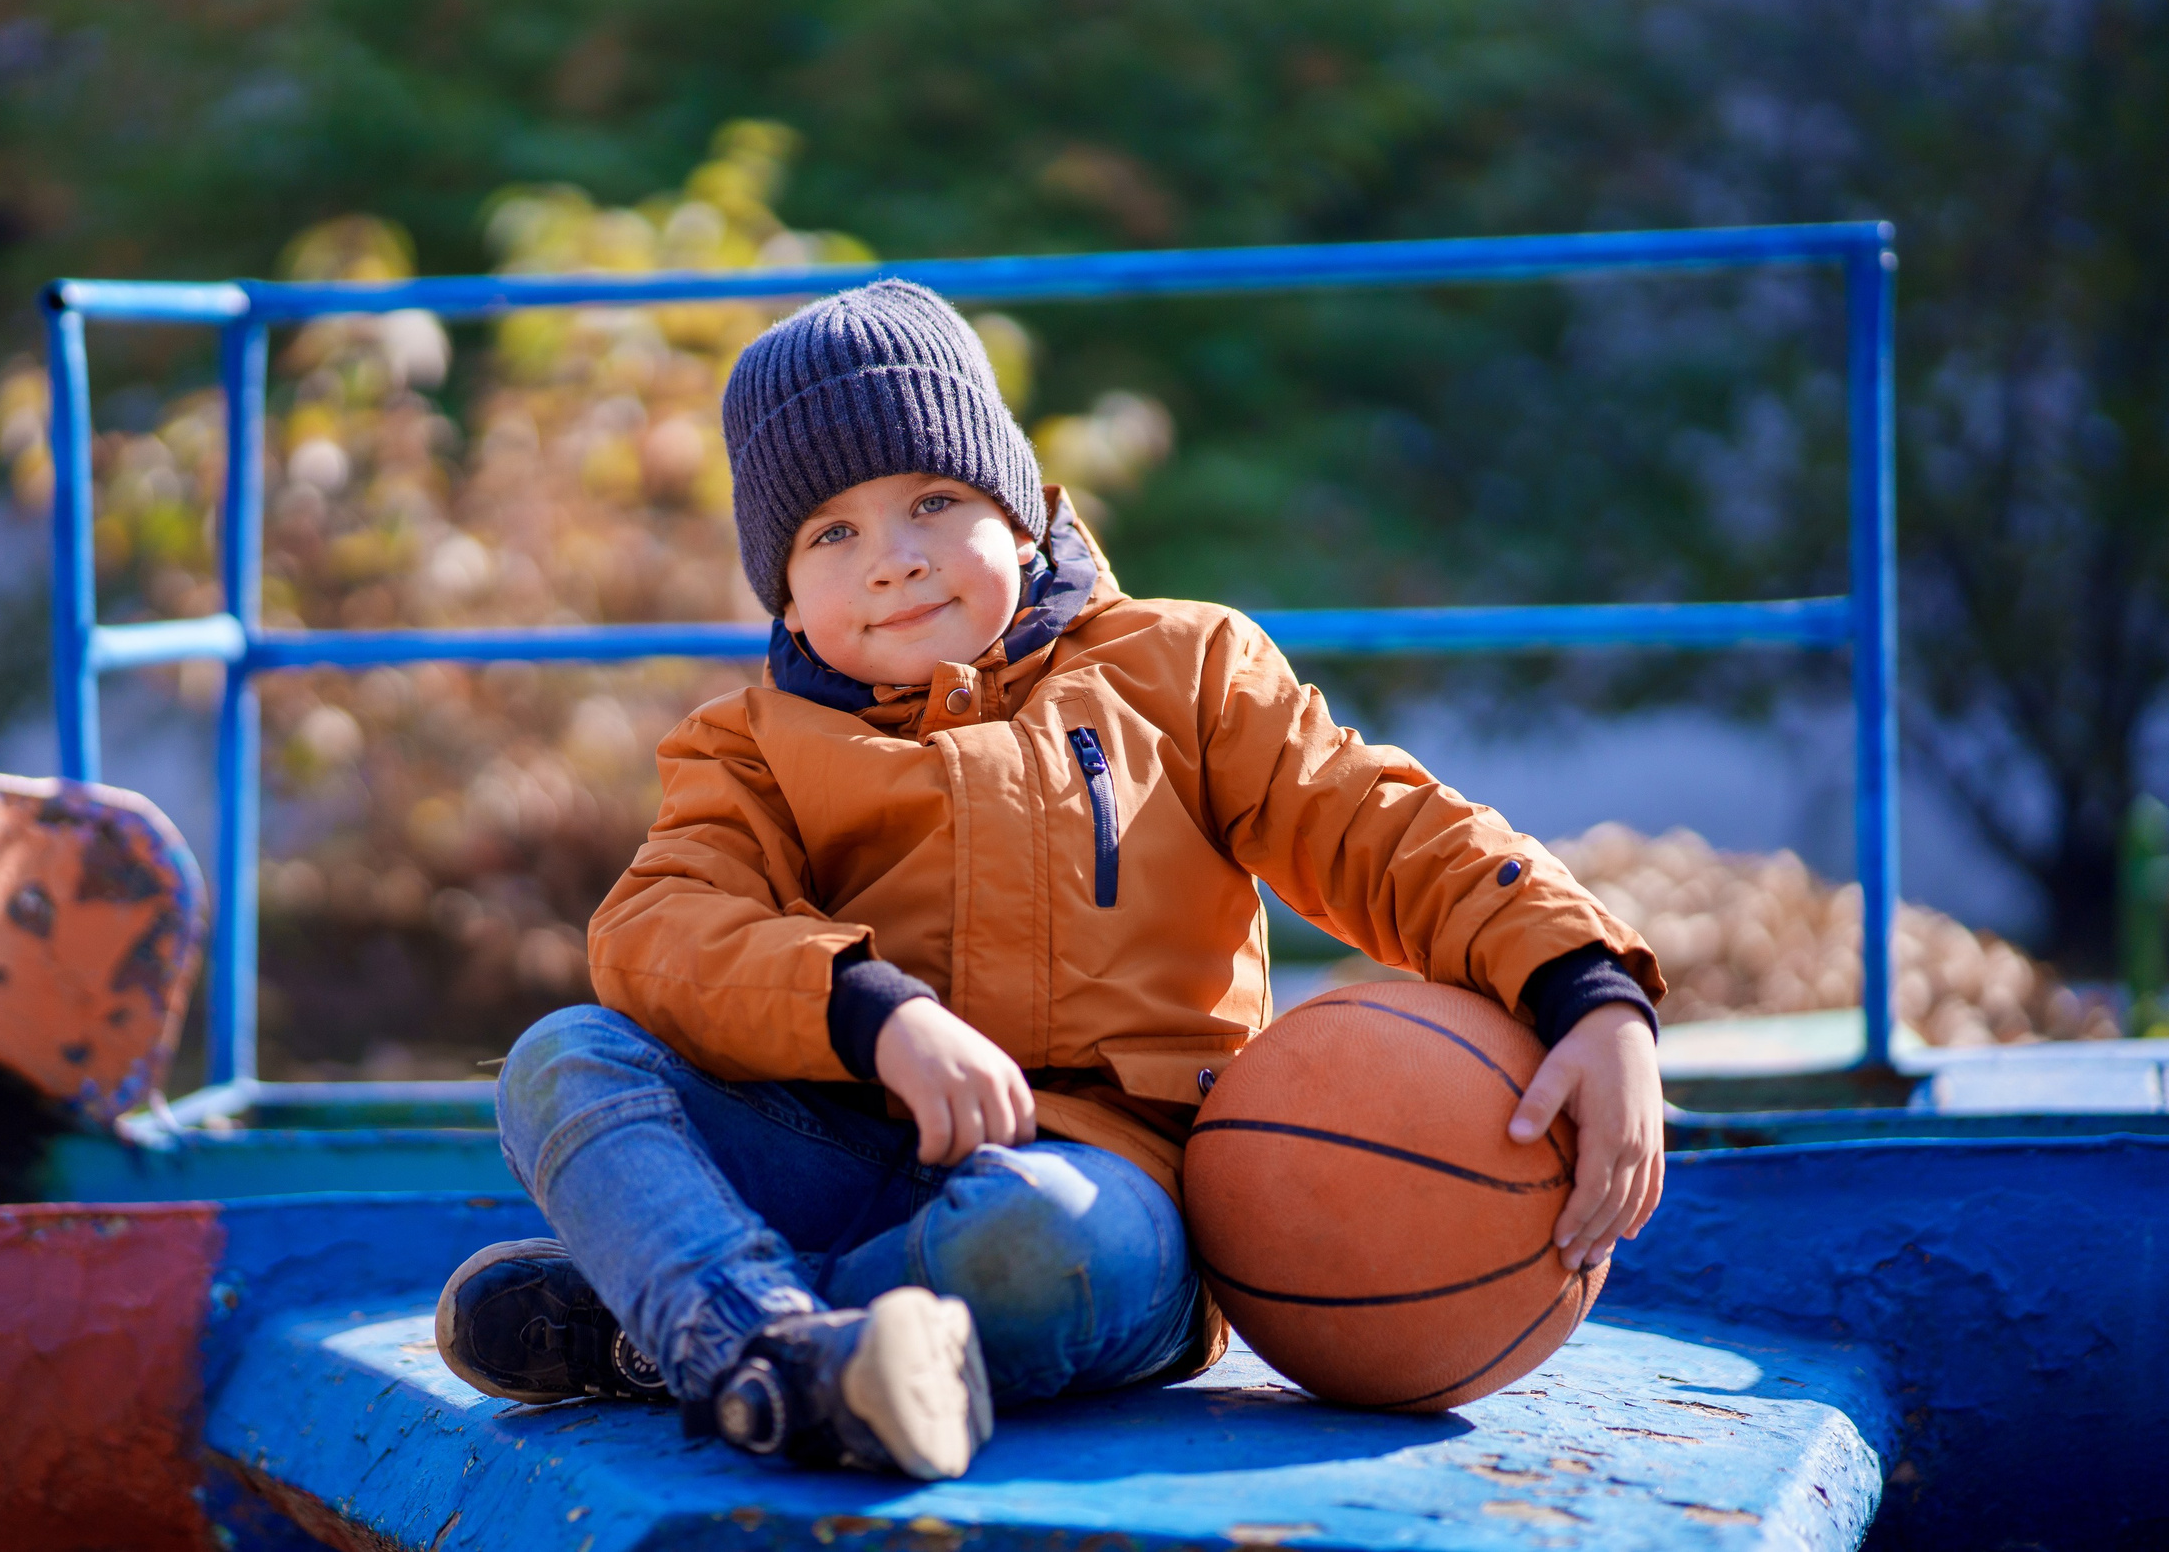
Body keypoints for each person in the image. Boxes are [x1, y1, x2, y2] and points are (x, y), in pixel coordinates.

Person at [433, 279, 1666, 1480]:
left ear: (1020, 514)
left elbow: (1383, 828)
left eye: (933, 500)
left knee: (1042, 1245)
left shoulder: (1185, 670)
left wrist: (1584, 983)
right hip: (843, 1146)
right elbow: (660, 929)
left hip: (1112, 1185)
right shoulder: (747, 750)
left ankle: (688, 1326)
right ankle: (770, 1349)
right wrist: (869, 1011)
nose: (892, 560)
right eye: (831, 533)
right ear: (789, 601)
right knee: (564, 1057)